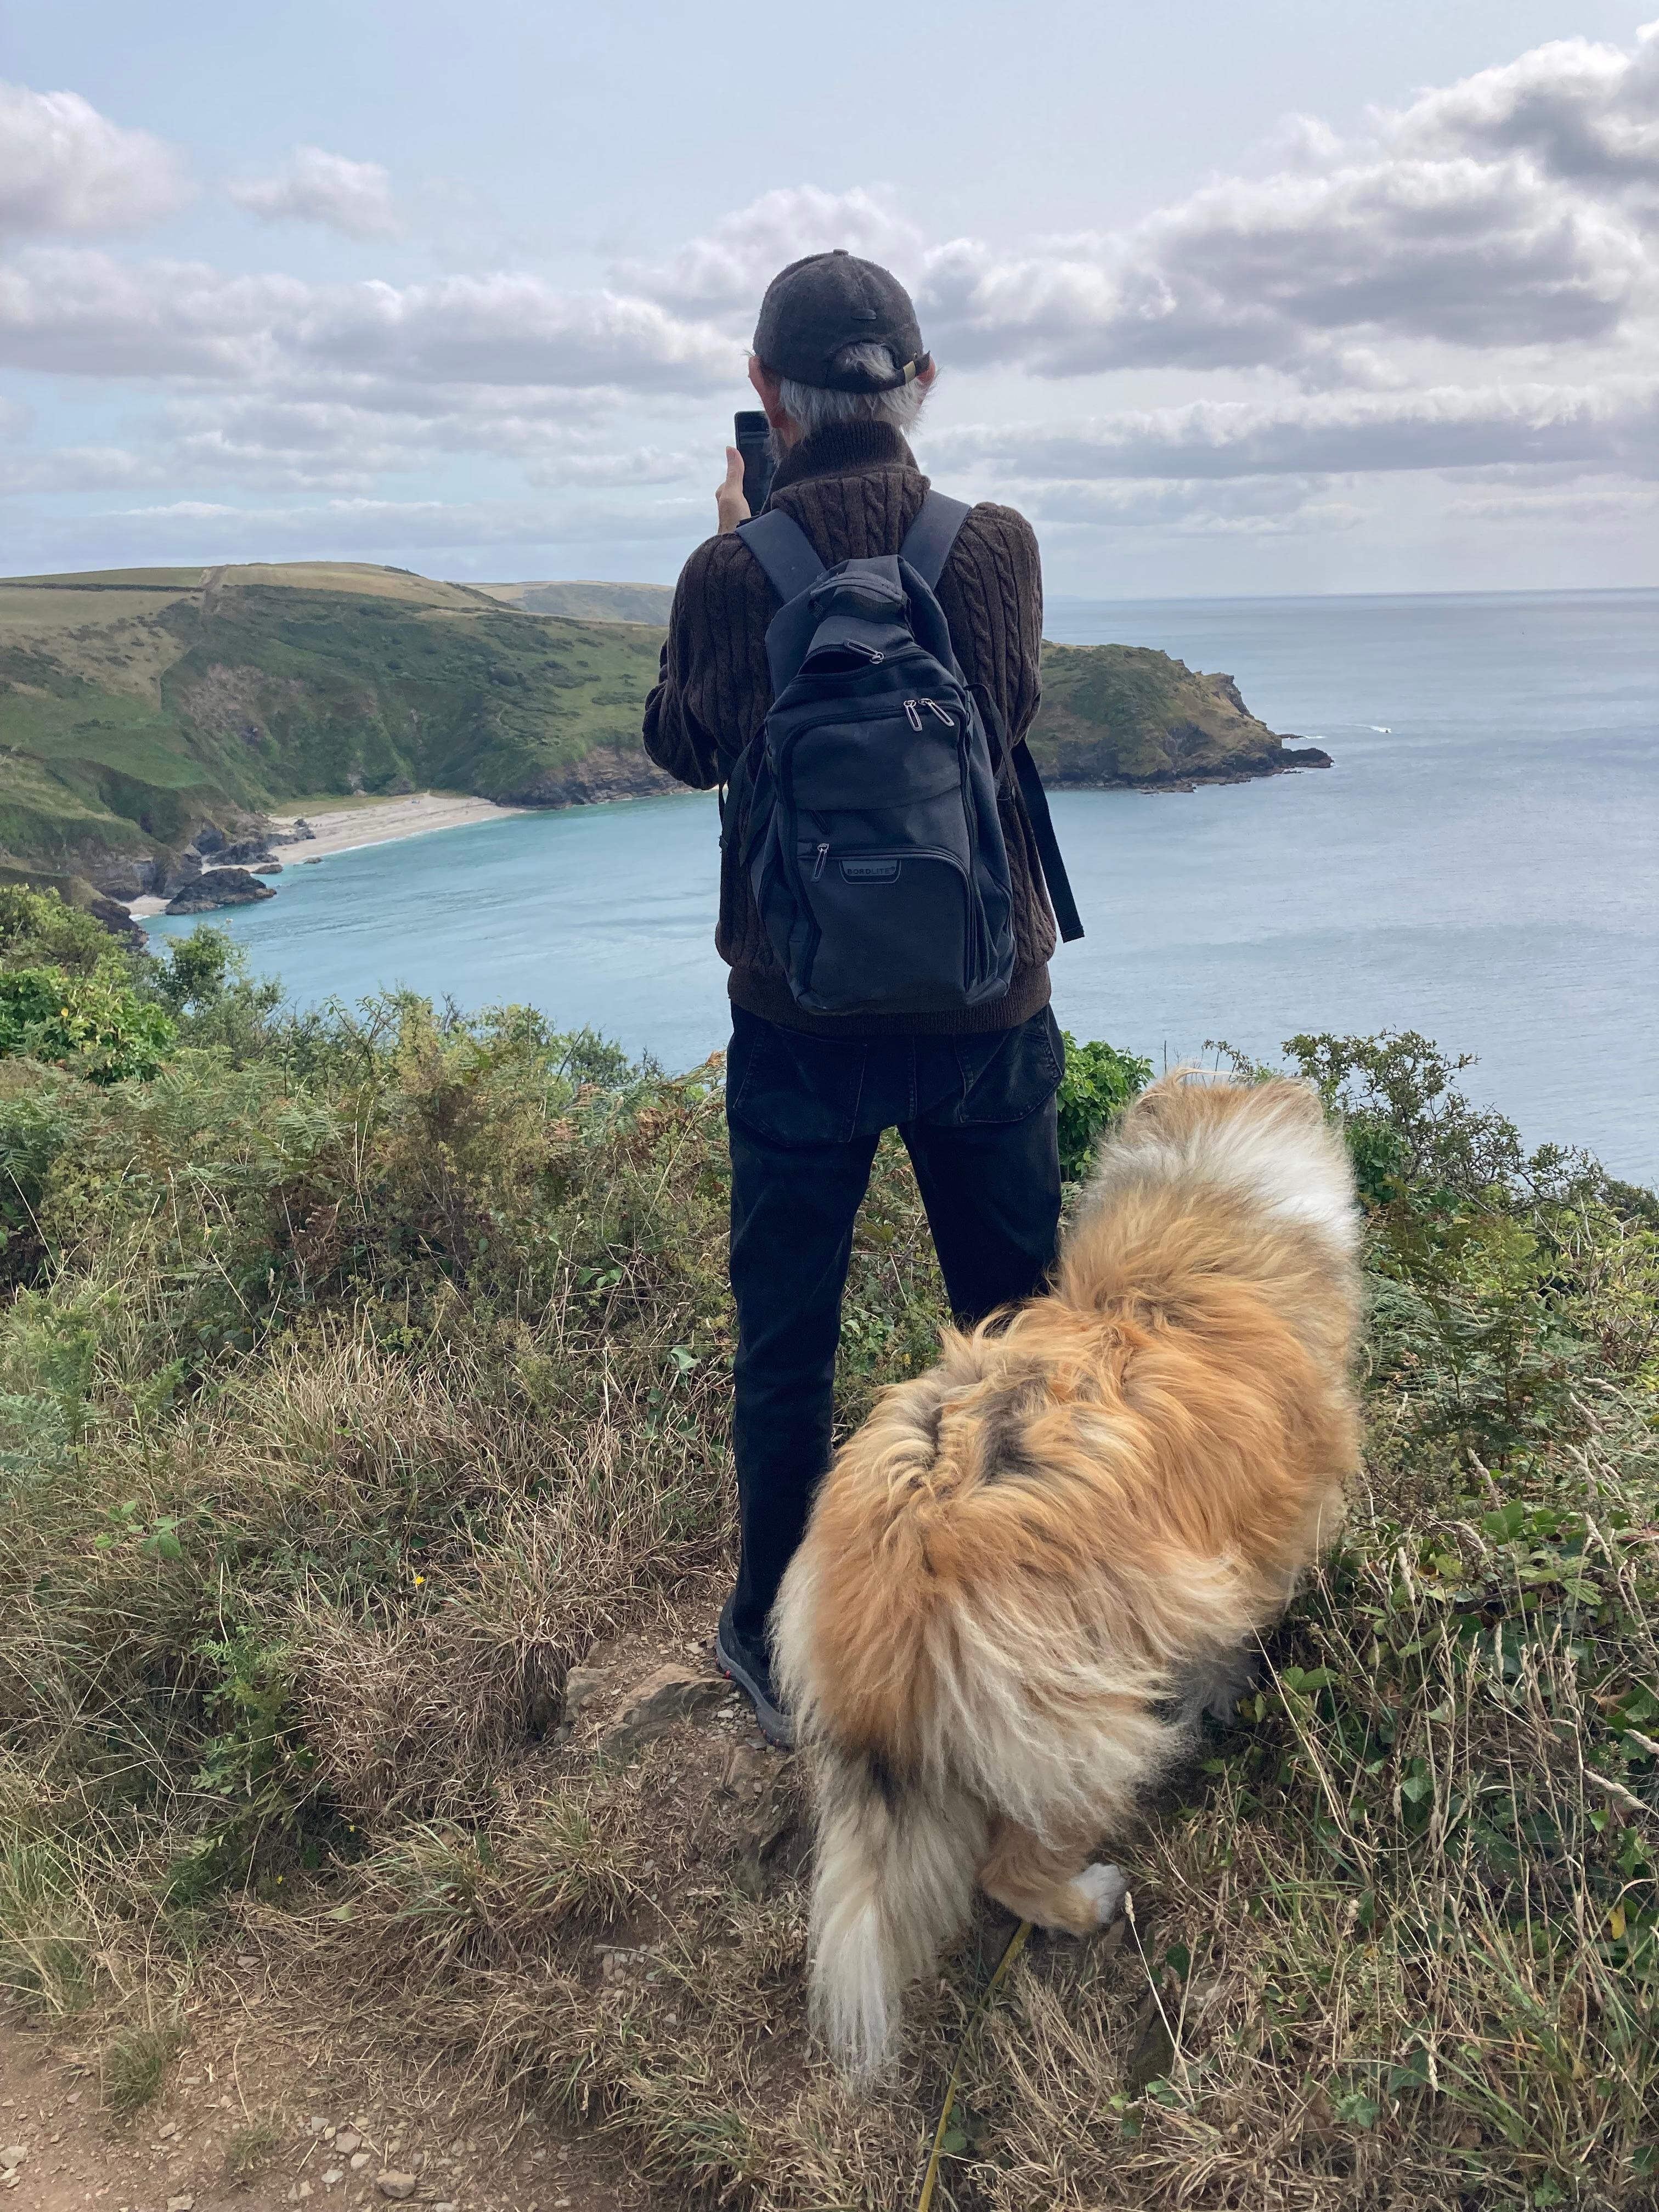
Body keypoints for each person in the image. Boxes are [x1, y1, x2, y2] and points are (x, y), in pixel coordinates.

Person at [642, 250, 1064, 1746]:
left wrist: (748, 549)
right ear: (921, 380)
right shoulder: (991, 546)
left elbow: (684, 745)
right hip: (984, 1014)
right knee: (1014, 1329)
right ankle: (1031, 1604)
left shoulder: (730, 572)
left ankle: (771, 1628)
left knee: (788, 1335)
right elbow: (1002, 720)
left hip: (799, 1023)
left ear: (768, 394)